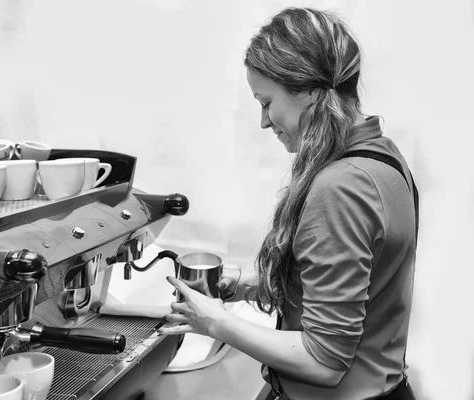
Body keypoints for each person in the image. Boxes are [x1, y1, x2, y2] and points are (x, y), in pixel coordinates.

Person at [158, 7, 419, 400]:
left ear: (310, 92)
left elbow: (324, 361)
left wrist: (213, 322)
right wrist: (249, 287)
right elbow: (350, 292)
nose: (264, 122)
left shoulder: (341, 187)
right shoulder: (383, 157)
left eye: (266, 102)